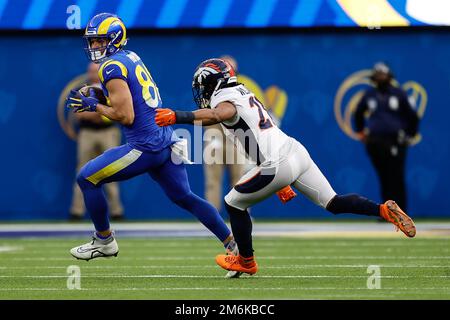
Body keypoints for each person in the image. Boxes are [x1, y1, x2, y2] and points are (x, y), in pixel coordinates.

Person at [155, 58, 417, 276]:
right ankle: (382, 209)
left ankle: (246, 261)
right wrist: (279, 180)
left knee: (233, 202)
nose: (202, 92)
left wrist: (178, 116)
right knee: (333, 202)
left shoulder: (223, 97)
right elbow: (253, 139)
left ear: (214, 82)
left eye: (203, 85)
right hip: (295, 152)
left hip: (277, 163)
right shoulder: (243, 91)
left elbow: (217, 114)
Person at [65, 14, 235, 261]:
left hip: (145, 146)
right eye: (92, 42)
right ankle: (234, 246)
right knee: (185, 197)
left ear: (113, 39)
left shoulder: (111, 66)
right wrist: (104, 97)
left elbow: (125, 115)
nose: (94, 47)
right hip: (165, 140)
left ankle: (104, 240)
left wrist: (96, 106)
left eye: (99, 41)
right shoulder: (130, 57)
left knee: (86, 178)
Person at [354, 62, 419, 210]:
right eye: (377, 75)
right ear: (373, 78)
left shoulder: (399, 93)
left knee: (396, 176)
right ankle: (387, 212)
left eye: (383, 74)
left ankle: (402, 212)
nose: (380, 77)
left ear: (389, 76)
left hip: (395, 141)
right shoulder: (369, 94)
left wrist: (410, 135)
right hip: (375, 142)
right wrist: (360, 131)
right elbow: (358, 113)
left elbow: (413, 116)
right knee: (384, 177)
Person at [69, 62, 123, 221]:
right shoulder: (83, 91)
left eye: (96, 71)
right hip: (87, 133)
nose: (93, 74)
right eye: (91, 71)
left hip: (108, 133)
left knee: (112, 171)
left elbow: (117, 112)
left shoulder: (110, 89)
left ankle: (116, 211)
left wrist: (95, 110)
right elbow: (79, 115)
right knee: (82, 171)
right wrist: (101, 112)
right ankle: (76, 211)